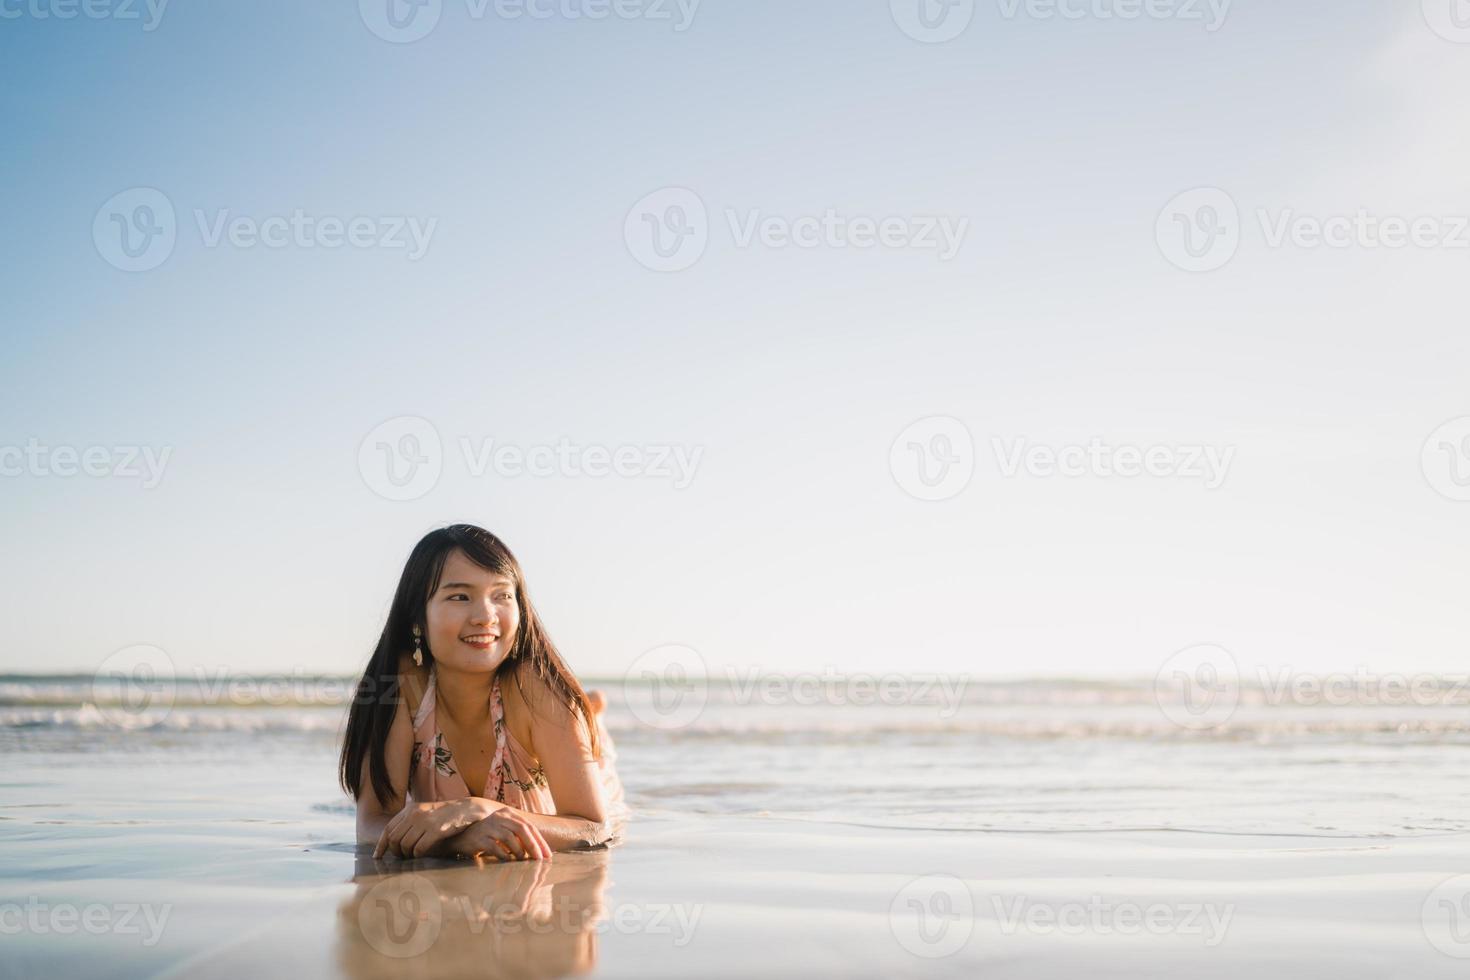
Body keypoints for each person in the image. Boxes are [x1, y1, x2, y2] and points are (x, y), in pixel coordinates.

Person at [339, 524, 626, 860]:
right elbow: (371, 825)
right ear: (418, 615)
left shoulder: (537, 690)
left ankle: (590, 715)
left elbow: (595, 828)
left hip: (563, 746)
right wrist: (459, 840)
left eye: (502, 595)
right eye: (459, 596)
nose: (485, 616)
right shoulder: (399, 685)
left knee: (584, 728)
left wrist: (476, 809)